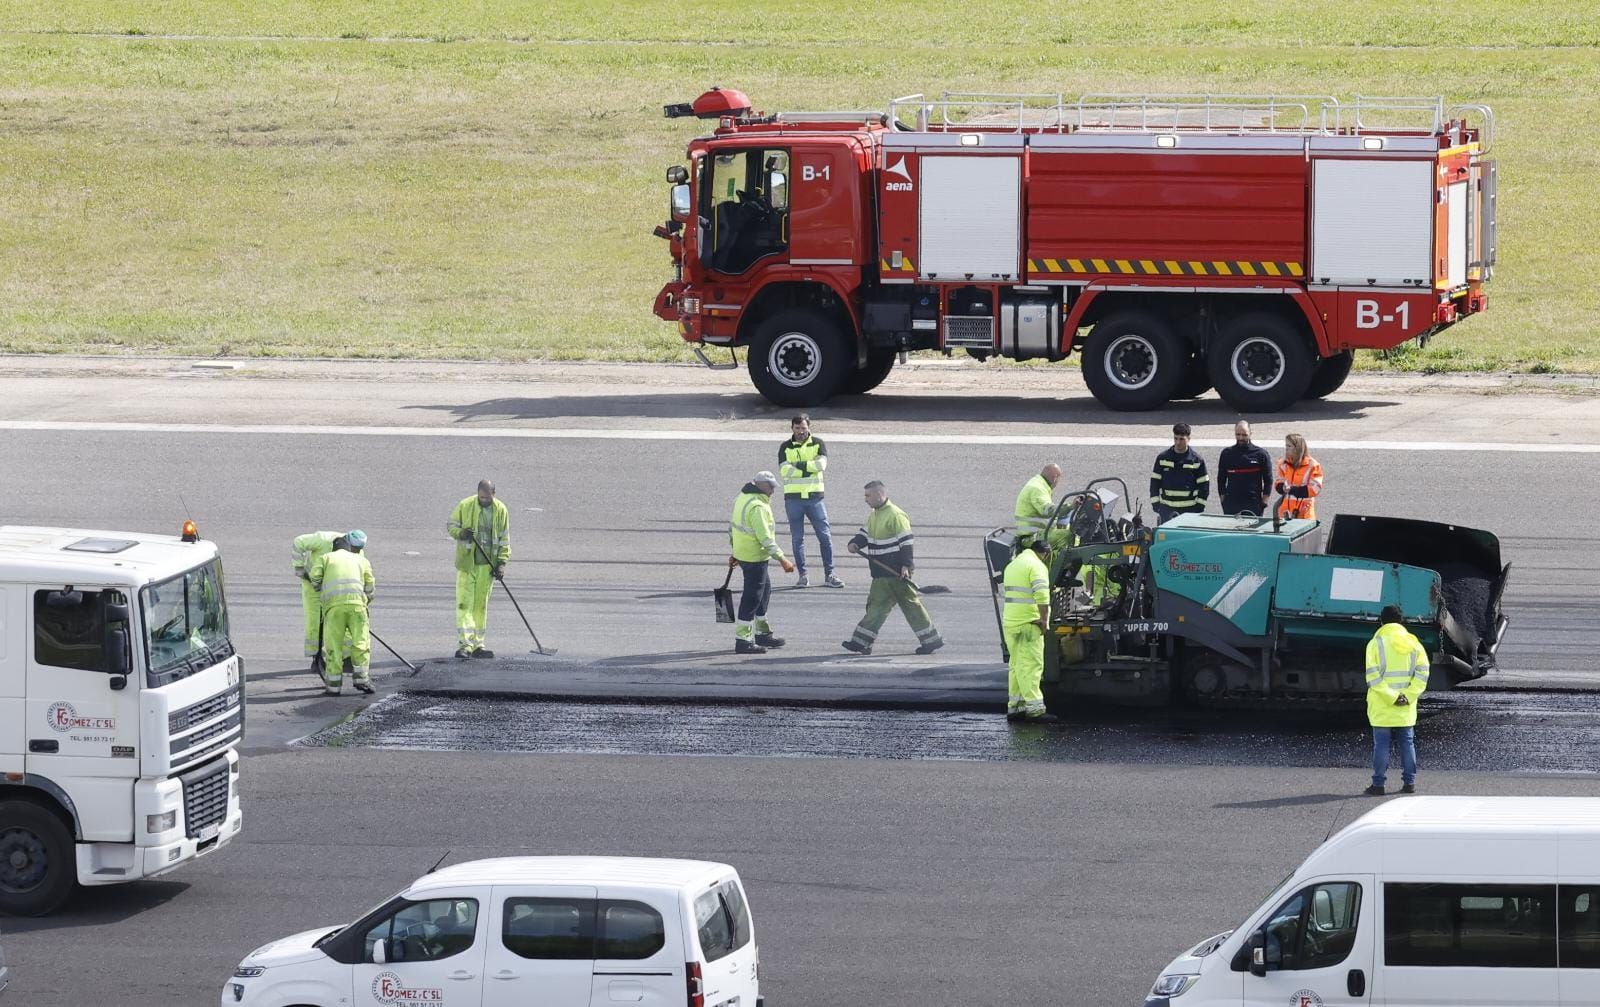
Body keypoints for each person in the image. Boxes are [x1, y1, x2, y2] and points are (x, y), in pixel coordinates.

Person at [842, 481, 944, 656]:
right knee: (894, 606)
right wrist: (855, 543)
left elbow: (906, 542)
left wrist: (906, 565)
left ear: (880, 495)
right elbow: (865, 534)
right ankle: (930, 641)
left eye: (868, 496)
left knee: (882, 606)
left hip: (896, 572)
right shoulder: (875, 515)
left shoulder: (896, 515)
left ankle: (862, 643)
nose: (865, 499)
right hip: (883, 572)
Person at [1364, 604, 1430, 796]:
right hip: (1405, 706)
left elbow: (1373, 677)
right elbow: (1423, 672)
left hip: (1383, 705)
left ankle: (1378, 785)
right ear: (1401, 621)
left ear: (1381, 621)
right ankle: (1409, 783)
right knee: (1407, 743)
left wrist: (1391, 697)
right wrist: (1407, 696)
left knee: (1381, 744)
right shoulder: (1413, 643)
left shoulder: (1376, 643)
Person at [729, 471, 794, 654]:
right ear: (760, 485)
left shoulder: (742, 498)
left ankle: (762, 634)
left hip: (745, 555)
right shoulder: (757, 506)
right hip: (754, 557)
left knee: (764, 593)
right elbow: (765, 538)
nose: (773, 491)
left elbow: (732, 527)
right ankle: (743, 640)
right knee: (752, 598)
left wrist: (734, 552)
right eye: (770, 487)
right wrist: (782, 559)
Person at [447, 479, 510, 659]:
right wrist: (462, 533)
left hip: (487, 567)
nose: (484, 500)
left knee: (480, 606)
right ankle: (465, 645)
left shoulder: (501, 510)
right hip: (468, 565)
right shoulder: (465, 505)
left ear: (494, 494)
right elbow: (451, 526)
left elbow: (504, 539)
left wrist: (501, 563)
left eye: (487, 498)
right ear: (477, 494)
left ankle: (478, 645)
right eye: (481, 497)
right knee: (464, 604)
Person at [779, 414, 843, 589]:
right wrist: (809, 467)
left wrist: (798, 466)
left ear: (809, 427)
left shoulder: (818, 443)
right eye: (797, 428)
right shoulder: (785, 447)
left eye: (803, 428)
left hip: (815, 498)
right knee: (797, 539)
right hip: (793, 500)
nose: (800, 431)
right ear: (792, 428)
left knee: (825, 536)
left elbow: (821, 466)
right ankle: (803, 576)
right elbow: (785, 471)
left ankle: (830, 574)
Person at [310, 530, 376, 696]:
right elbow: (370, 586)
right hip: (357, 607)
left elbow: (315, 578)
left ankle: (333, 686)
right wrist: (365, 602)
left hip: (333, 609)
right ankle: (362, 679)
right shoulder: (362, 560)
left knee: (333, 646)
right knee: (361, 643)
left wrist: (320, 588)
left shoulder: (326, 558)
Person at [1001, 540, 1056, 723]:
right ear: (1045, 554)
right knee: (1031, 666)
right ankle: (1035, 709)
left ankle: (1015, 707)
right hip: (1029, 623)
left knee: (1016, 665)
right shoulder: (1037, 566)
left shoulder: (1012, 565)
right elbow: (1042, 596)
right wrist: (1044, 620)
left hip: (1011, 623)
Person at [291, 530, 351, 670]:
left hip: (335, 588)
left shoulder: (356, 552)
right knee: (315, 622)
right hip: (313, 586)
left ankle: (347, 658)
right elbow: (298, 542)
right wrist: (299, 567)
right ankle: (316, 658)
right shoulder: (322, 540)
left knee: (344, 619)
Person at [1150, 422, 1209, 524]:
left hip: (1189, 511)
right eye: (1175, 438)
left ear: (1189, 439)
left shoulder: (1196, 460)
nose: (1178, 442)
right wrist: (1156, 505)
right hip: (1166, 511)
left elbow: (1204, 485)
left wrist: (1199, 508)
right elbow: (1154, 483)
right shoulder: (1163, 458)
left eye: (1181, 439)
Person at [1217, 420, 1273, 516]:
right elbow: (1221, 479)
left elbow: (1268, 479)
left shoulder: (1261, 454)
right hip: (1231, 504)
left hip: (1253, 504)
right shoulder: (1226, 453)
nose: (1241, 438)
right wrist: (1223, 500)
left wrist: (1264, 501)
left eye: (1244, 435)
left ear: (1250, 434)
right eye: (1238, 434)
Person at [1013, 463, 1065, 548]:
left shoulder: (1039, 484)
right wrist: (1069, 507)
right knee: (1067, 536)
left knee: (1064, 528)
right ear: (1055, 478)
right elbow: (1047, 510)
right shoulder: (1037, 488)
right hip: (1030, 537)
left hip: (1036, 533)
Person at [1276, 433, 1325, 521]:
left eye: (1289, 446)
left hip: (1304, 514)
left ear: (1297, 448)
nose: (1286, 449)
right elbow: (1278, 483)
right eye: (1286, 445)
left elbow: (1315, 489)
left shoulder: (1313, 465)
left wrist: (1292, 489)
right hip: (1285, 514)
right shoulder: (1283, 464)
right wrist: (1282, 487)